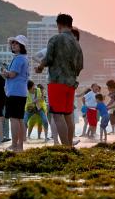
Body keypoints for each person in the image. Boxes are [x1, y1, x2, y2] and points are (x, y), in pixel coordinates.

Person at [35, 14, 84, 146]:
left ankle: (65, 147)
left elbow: (48, 59)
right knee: (68, 115)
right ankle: (69, 146)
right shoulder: (76, 43)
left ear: (59, 25)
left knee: (57, 115)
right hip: (71, 83)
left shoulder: (55, 39)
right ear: (70, 24)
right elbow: (80, 66)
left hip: (57, 82)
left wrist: (39, 67)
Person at [2, 35, 30, 152]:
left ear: (21, 46)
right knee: (19, 119)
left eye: (16, 43)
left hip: (15, 92)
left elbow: (12, 74)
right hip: (21, 92)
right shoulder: (23, 58)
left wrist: (5, 73)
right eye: (12, 43)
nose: (13, 45)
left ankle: (14, 145)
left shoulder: (19, 59)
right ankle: (20, 146)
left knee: (14, 119)